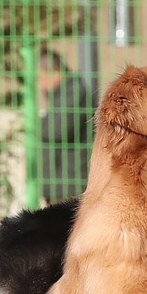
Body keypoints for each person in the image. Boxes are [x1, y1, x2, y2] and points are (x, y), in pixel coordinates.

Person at [37, 49, 94, 204]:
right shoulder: (61, 95)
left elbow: (56, 130)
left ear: (55, 71)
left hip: (71, 184)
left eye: (41, 77)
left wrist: (34, 124)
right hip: (60, 183)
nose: (40, 84)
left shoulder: (74, 92)